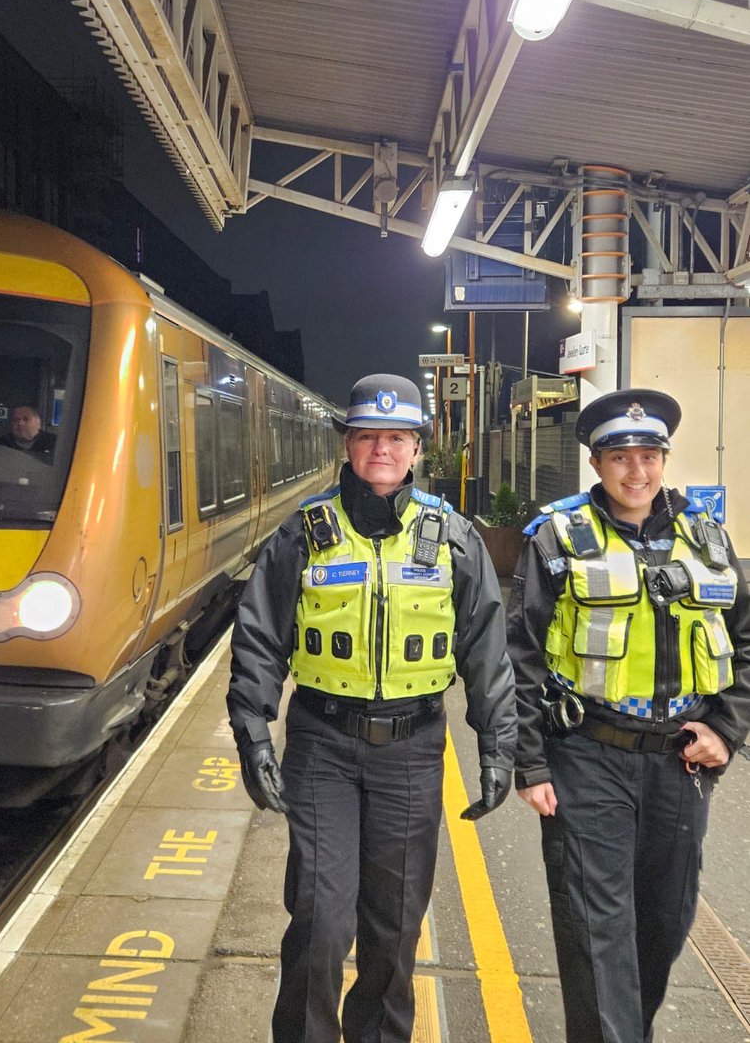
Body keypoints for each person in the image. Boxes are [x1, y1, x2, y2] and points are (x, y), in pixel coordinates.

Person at [227, 373, 517, 1043]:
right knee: (321, 918)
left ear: (418, 448)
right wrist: (253, 735)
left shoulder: (454, 538)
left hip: (414, 755)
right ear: (348, 446)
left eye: (396, 437)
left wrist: (501, 746)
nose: (381, 449)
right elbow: (261, 638)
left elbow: (486, 650)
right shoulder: (303, 534)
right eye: (367, 436)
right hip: (322, 746)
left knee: (394, 931)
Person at [507, 387, 750, 1043]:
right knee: (597, 933)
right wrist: (528, 762)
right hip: (587, 755)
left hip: (679, 763)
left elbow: (745, 636)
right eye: (620, 456)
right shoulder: (557, 538)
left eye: (649, 455)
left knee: (663, 926)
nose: (636, 470)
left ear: (665, 460)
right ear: (596, 464)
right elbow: (521, 654)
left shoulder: (707, 538)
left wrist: (727, 729)